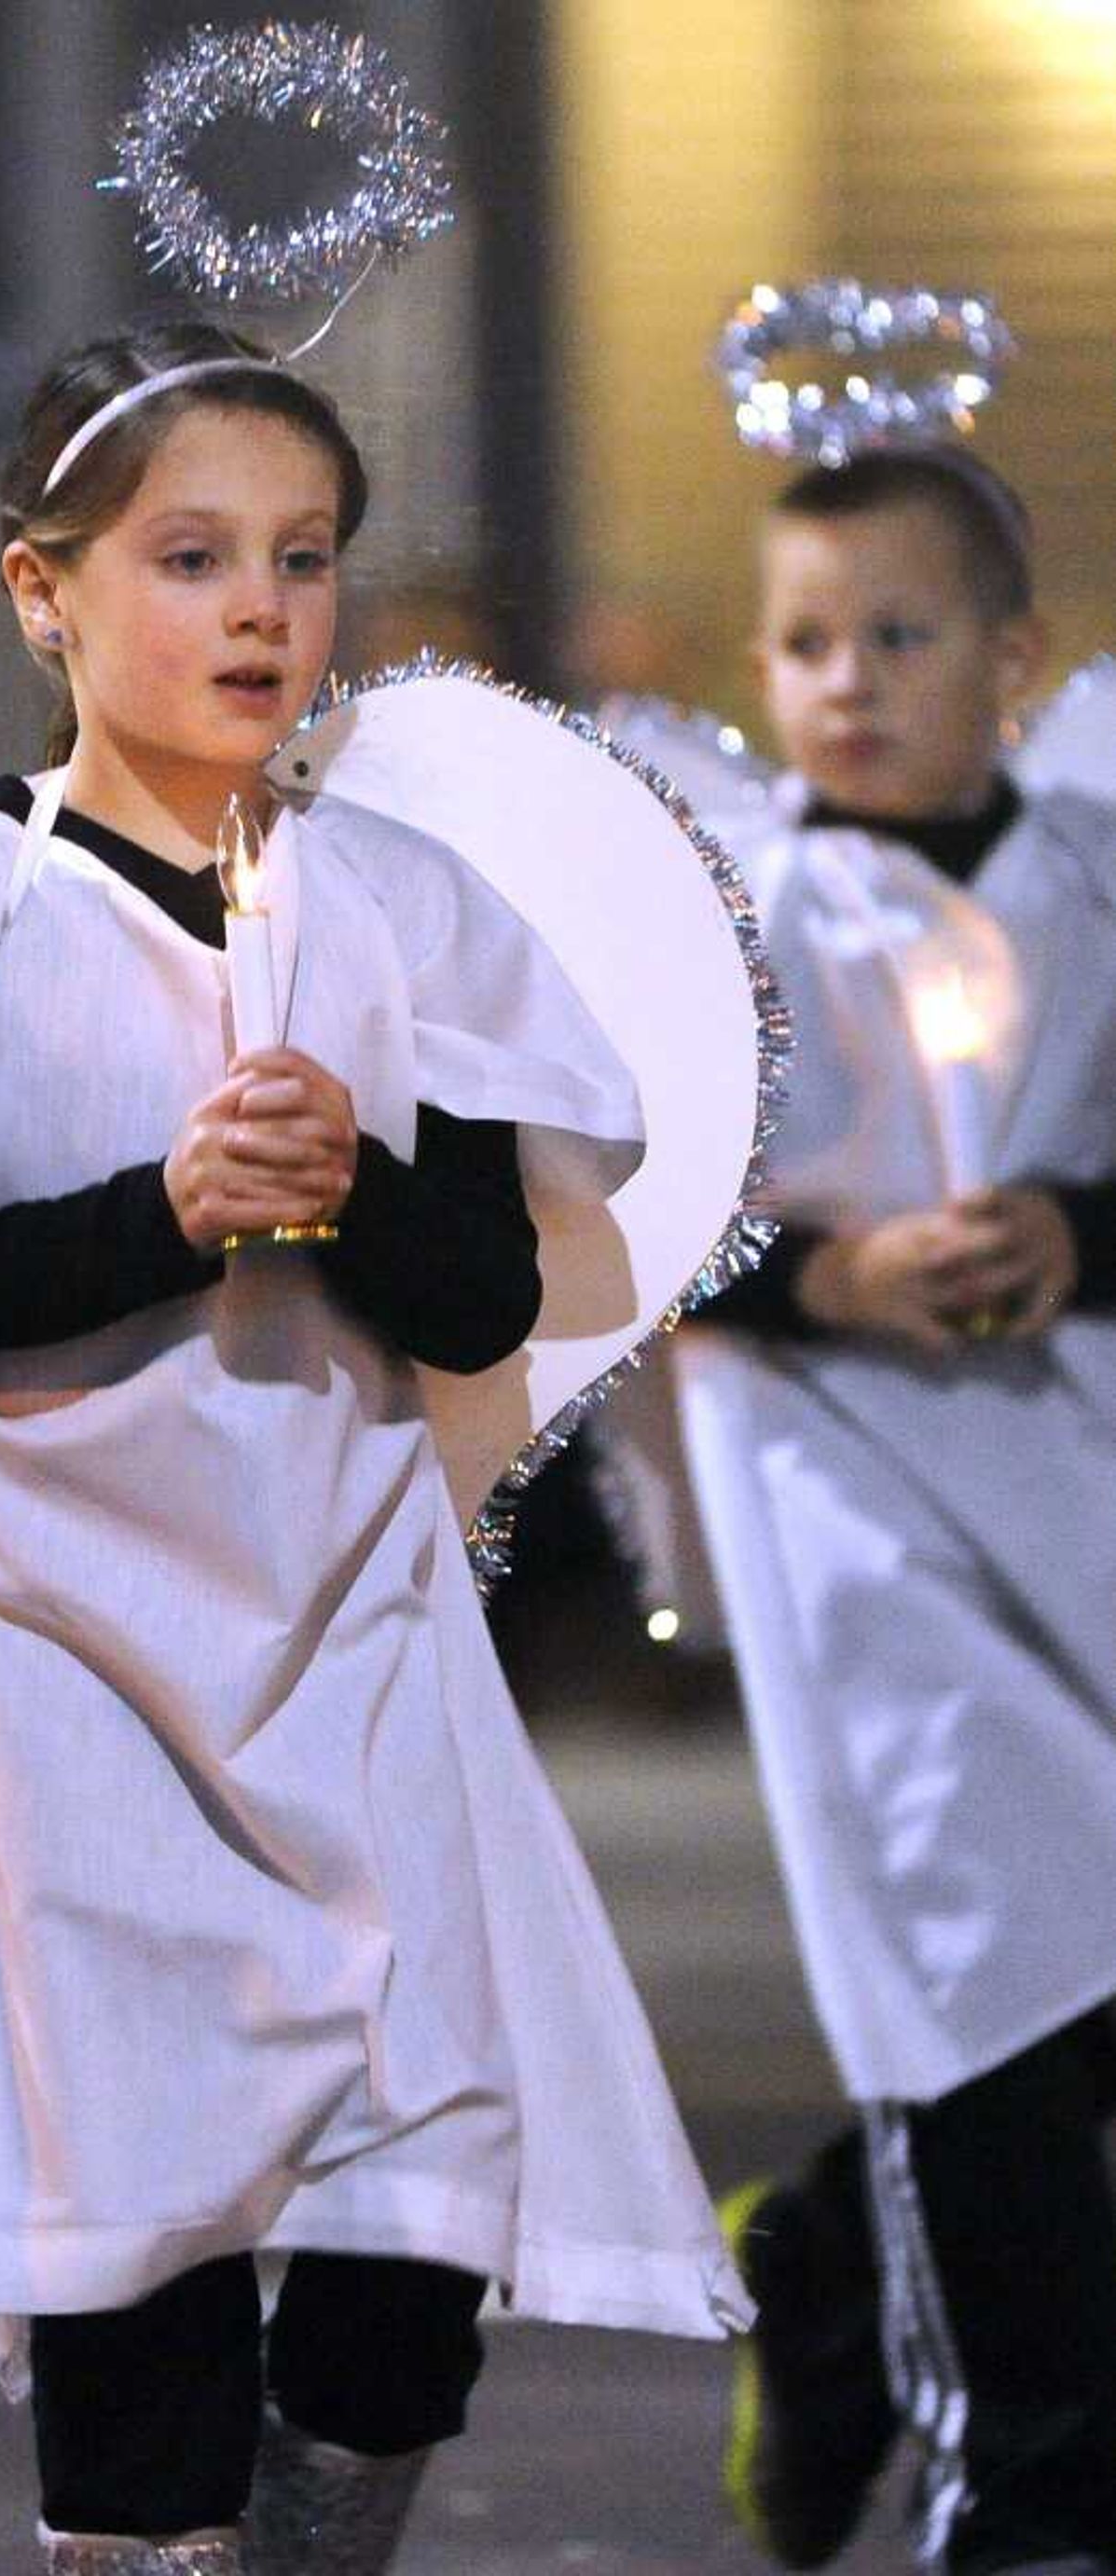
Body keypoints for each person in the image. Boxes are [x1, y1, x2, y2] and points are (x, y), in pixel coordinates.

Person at [0, 319, 745, 2576]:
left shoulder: (393, 904)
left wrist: (340, 1187)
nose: (257, 609)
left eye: (301, 557)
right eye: (190, 554)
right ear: (43, 593)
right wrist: (163, 1211)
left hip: (355, 1629)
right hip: (63, 1659)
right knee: (153, 2262)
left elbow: (485, 1293)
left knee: (414, 2245)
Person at [673, 448, 1116, 2576]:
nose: (844, 681)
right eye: (805, 640)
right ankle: (1024, 2489)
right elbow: (615, 1213)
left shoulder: (1099, 883)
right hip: (861, 1525)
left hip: (1083, 1490)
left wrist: (1071, 1228)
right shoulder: (733, 922)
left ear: (1014, 660)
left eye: (901, 635)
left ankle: (836, 2255)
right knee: (984, 1958)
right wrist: (828, 1271)